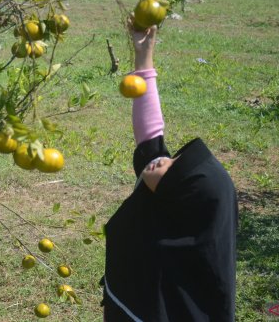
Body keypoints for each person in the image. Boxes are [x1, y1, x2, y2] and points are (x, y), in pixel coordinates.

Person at [101, 23, 238, 321]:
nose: (164, 160)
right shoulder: (172, 210)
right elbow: (151, 136)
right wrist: (144, 56)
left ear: (182, 199)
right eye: (173, 158)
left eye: (172, 169)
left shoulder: (185, 305)